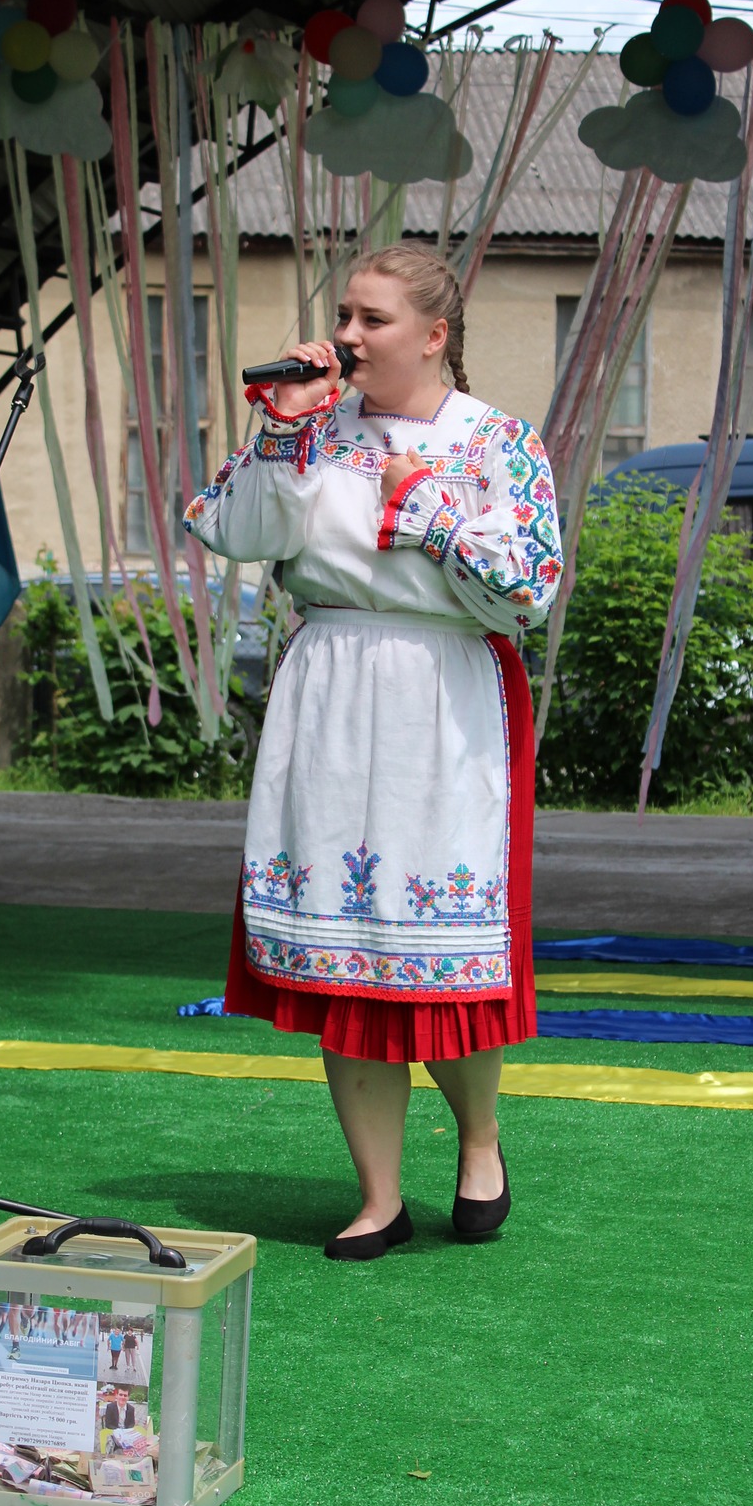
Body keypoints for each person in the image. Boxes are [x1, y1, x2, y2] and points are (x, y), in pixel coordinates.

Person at [184, 244, 561, 1261]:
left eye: (372, 319)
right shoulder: (312, 426)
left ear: (434, 335)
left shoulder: (496, 441)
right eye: (344, 314)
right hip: (331, 690)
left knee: (441, 948)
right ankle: (379, 1195)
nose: (345, 335)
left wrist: (425, 508)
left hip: (444, 695)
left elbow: (528, 587)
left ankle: (478, 1141)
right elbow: (230, 531)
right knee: (344, 951)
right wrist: (283, 430)